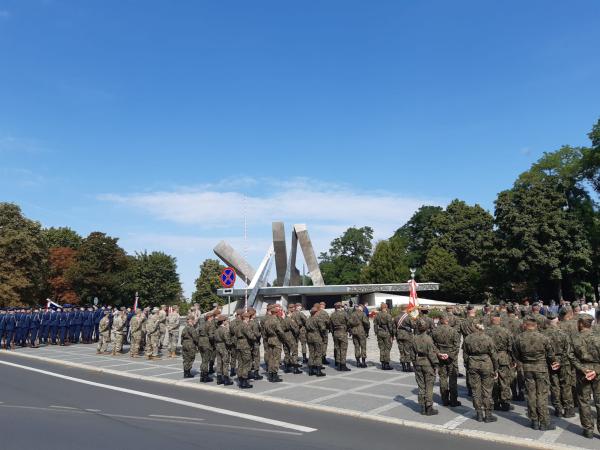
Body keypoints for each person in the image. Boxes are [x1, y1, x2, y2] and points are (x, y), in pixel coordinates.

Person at [514, 316, 559, 430]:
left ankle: (534, 420)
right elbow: (550, 355)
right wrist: (553, 362)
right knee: (542, 395)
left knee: (531, 394)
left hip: (527, 368)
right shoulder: (543, 338)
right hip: (541, 368)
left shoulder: (519, 338)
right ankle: (544, 422)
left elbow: (516, 355)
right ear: (536, 325)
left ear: (526, 325)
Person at [568, 315, 600, 439]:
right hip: (598, 372)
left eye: (578, 322)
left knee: (584, 401)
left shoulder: (575, 338)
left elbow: (570, 356)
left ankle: (588, 430)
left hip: (583, 372)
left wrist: (583, 369)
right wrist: (596, 371)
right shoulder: (598, 337)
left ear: (581, 323)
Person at [463, 319, 499, 423]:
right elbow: (494, 355)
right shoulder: (487, 338)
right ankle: (488, 415)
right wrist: (496, 369)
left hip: (473, 364)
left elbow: (465, 354)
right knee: (487, 391)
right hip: (486, 365)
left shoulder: (468, 338)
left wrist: (467, 365)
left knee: (475, 390)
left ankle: (478, 413)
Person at [543, 312, 575, 418]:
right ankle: (568, 409)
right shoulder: (563, 334)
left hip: (550, 362)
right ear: (557, 321)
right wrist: (560, 361)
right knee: (565, 385)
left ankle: (558, 409)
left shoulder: (544, 334)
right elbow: (568, 351)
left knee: (554, 385)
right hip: (564, 362)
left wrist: (553, 360)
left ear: (548, 321)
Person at [410, 319, 441, 415]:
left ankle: (422, 407)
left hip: (418, 362)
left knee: (421, 386)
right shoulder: (428, 339)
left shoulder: (414, 338)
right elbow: (431, 354)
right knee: (429, 386)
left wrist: (415, 363)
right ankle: (429, 407)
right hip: (427, 363)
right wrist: (436, 364)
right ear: (426, 328)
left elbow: (411, 353)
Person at [432, 312, 461, 407]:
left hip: (440, 357)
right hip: (451, 358)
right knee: (452, 379)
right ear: (447, 320)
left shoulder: (435, 331)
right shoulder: (453, 331)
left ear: (440, 320)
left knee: (443, 378)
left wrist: (439, 354)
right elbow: (457, 346)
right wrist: (449, 355)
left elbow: (432, 345)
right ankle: (453, 400)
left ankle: (444, 399)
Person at [486, 313, 514, 411]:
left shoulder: (486, 332)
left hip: (490, 358)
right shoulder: (506, 331)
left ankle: (495, 402)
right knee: (504, 381)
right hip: (503, 358)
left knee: (493, 380)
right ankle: (505, 402)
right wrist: (512, 359)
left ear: (491, 320)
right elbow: (511, 347)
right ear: (499, 320)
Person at [263, 304, 285, 382]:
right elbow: (280, 331)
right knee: (276, 358)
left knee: (271, 358)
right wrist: (283, 339)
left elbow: (264, 333)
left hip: (269, 340)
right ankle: (275, 375)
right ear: (276, 313)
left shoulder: (267, 321)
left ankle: (271, 374)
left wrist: (266, 340)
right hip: (276, 340)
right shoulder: (276, 320)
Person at [236, 311, 256, 389]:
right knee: (246, 363)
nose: (249, 319)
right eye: (248, 317)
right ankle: (244, 381)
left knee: (240, 363)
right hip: (245, 345)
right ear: (246, 318)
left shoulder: (238, 325)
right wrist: (255, 337)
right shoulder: (245, 325)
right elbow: (251, 336)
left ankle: (240, 378)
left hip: (239, 344)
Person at [330, 302, 351, 371]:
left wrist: (333, 332)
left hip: (335, 333)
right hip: (342, 332)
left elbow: (331, 326)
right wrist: (348, 330)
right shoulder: (344, 313)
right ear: (340, 307)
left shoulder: (332, 315)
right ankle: (343, 365)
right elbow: (349, 322)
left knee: (337, 349)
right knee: (343, 349)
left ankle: (338, 364)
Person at [306, 306, 326, 377]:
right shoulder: (318, 319)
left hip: (309, 337)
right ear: (316, 312)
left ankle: (310, 370)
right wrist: (323, 336)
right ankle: (318, 371)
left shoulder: (308, 319)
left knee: (311, 353)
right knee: (318, 353)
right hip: (317, 336)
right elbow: (323, 328)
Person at [214, 314, 234, 385]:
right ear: (223, 321)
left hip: (218, 346)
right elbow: (227, 341)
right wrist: (232, 344)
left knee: (219, 363)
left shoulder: (216, 330)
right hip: (224, 347)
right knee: (225, 363)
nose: (227, 321)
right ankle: (226, 379)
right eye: (226, 320)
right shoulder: (224, 330)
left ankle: (219, 379)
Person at [373, 303, 394, 370]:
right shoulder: (388, 315)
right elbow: (390, 326)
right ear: (385, 307)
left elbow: (375, 325)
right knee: (387, 348)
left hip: (379, 332)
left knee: (381, 348)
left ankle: (382, 364)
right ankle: (386, 364)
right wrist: (392, 334)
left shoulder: (377, 315)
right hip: (386, 333)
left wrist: (376, 332)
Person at [349, 304, 370, 368]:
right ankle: (363, 362)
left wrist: (351, 330)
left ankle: (358, 362)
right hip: (361, 332)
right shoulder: (363, 314)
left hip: (354, 332)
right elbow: (366, 323)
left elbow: (349, 323)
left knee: (356, 347)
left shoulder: (352, 314)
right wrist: (367, 329)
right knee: (363, 347)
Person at [395, 306, 414, 372]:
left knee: (401, 351)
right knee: (407, 351)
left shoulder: (396, 317)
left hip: (399, 335)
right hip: (407, 335)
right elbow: (413, 325)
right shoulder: (408, 317)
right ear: (406, 309)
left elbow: (394, 327)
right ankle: (408, 367)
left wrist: (395, 335)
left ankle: (403, 367)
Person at [197, 311, 214, 382]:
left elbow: (197, 333)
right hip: (206, 342)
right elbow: (211, 336)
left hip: (200, 342)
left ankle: (202, 375)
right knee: (206, 360)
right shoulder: (210, 324)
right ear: (209, 318)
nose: (213, 318)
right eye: (212, 317)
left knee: (203, 359)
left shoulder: (201, 324)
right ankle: (205, 376)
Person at [180, 315, 199, 379]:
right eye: (194, 320)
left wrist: (183, 343)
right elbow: (195, 338)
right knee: (191, 358)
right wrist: (197, 344)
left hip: (184, 344)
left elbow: (182, 337)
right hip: (190, 344)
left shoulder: (185, 328)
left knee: (185, 359)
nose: (194, 321)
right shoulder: (191, 328)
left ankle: (185, 372)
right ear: (191, 320)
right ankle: (188, 372)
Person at [248, 308, 263, 380]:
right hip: (255, 342)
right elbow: (257, 334)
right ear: (253, 315)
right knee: (256, 358)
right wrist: (260, 334)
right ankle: (256, 373)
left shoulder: (246, 322)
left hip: (248, 343)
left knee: (250, 358)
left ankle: (249, 372)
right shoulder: (254, 323)